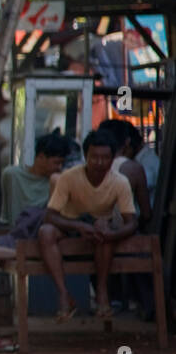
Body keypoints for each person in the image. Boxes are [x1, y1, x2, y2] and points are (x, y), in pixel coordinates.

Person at [37, 129, 138, 321]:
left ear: (113, 158)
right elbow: (49, 216)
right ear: (86, 156)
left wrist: (111, 235)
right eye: (94, 157)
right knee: (45, 232)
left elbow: (131, 222)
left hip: (99, 232)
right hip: (70, 226)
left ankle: (101, 291)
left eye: (105, 158)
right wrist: (78, 227)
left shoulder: (120, 182)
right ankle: (64, 294)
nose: (99, 163)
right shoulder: (68, 177)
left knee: (103, 229)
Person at [0, 132, 70, 264]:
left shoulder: (57, 180)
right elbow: (9, 217)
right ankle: (22, 254)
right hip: (18, 234)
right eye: (56, 163)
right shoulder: (12, 175)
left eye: (62, 164)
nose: (59, 167)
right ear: (41, 157)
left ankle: (22, 253)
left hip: (40, 236)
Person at [98, 118, 152, 228]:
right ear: (127, 142)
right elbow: (146, 215)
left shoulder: (89, 167)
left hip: (93, 236)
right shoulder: (134, 169)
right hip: (125, 236)